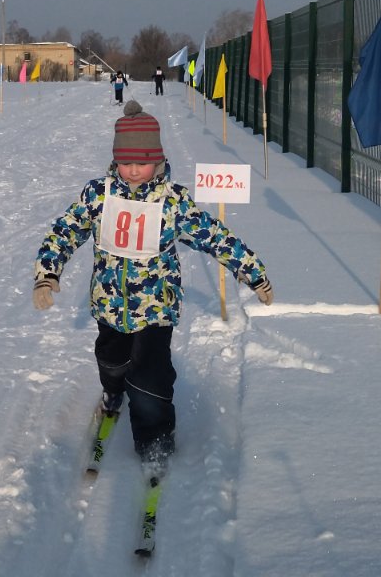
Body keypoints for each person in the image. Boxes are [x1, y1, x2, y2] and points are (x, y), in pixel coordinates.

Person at [32, 100, 273, 478]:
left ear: (157, 161)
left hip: (156, 309)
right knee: (111, 362)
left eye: (140, 164)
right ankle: (112, 391)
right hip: (109, 305)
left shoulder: (172, 202)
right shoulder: (98, 195)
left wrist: (252, 272)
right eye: (125, 164)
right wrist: (48, 273)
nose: (132, 171)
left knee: (150, 381)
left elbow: (213, 235)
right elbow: (65, 232)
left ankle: (155, 440)